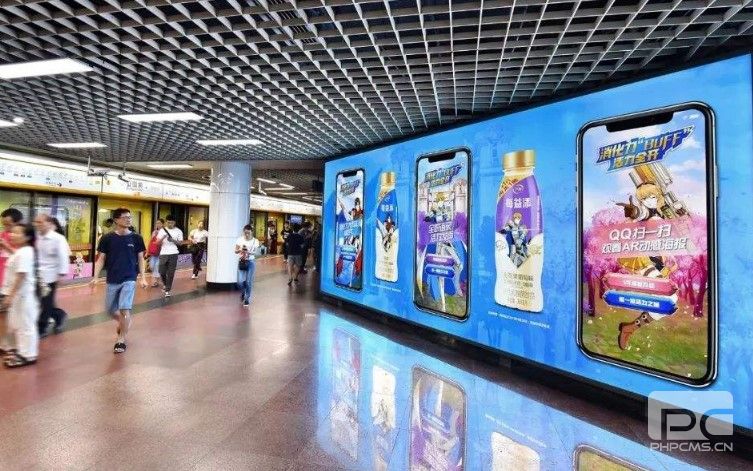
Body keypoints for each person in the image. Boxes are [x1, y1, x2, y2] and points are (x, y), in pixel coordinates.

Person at [90, 208, 147, 354]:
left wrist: (143, 278)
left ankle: (121, 340)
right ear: (116, 220)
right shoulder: (107, 238)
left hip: (129, 277)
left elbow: (141, 258)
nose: (128, 219)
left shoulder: (136, 238)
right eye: (125, 217)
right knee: (109, 310)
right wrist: (95, 277)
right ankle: (125, 321)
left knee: (124, 308)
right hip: (112, 279)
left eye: (130, 217)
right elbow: (101, 259)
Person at [1, 224, 39, 367]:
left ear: (27, 237)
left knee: (25, 325)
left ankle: (28, 355)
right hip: (19, 296)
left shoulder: (25, 252)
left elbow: (21, 274)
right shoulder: (22, 251)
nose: (11, 235)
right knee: (18, 324)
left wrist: (10, 296)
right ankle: (21, 351)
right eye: (12, 232)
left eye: (17, 233)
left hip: (23, 295)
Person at [34, 214, 71, 337]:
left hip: (50, 276)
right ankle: (59, 315)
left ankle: (42, 328)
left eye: (40, 222)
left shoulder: (58, 238)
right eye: (36, 222)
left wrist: (62, 274)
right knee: (41, 301)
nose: (37, 224)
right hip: (37, 275)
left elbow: (63, 257)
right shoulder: (36, 237)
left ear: (49, 223)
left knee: (45, 302)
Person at [157, 214, 183, 298]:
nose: (170, 224)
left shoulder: (178, 231)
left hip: (174, 253)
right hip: (163, 253)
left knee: (171, 273)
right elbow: (157, 243)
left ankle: (167, 290)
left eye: (171, 223)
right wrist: (163, 237)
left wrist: (173, 240)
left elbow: (180, 243)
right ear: (166, 222)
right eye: (168, 222)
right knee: (161, 271)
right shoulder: (162, 230)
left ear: (174, 222)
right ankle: (165, 284)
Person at [235, 224, 260, 307]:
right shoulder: (240, 240)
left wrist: (249, 252)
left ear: (251, 232)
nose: (247, 234)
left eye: (248, 233)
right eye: (245, 233)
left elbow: (257, 253)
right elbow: (235, 250)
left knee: (249, 281)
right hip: (241, 261)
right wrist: (240, 250)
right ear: (243, 232)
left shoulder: (255, 241)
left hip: (251, 262)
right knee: (239, 282)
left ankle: (247, 299)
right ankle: (243, 292)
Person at [146, 219, 164, 287]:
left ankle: (156, 281)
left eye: (159, 223)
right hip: (154, 252)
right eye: (157, 223)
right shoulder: (154, 232)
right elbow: (151, 241)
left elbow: (163, 242)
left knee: (157, 266)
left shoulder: (164, 232)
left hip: (161, 252)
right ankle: (159, 277)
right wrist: (148, 251)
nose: (158, 225)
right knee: (151, 266)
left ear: (162, 224)